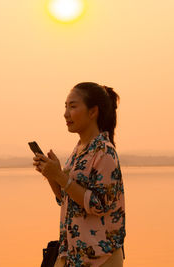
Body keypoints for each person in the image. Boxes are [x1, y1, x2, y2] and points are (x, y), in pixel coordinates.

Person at [33, 82, 126, 267]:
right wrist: (52, 174)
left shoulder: (104, 153)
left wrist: (60, 176)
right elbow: (66, 198)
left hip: (100, 257)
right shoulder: (79, 151)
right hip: (73, 254)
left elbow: (98, 205)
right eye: (65, 107)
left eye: (73, 106)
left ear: (93, 112)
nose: (66, 113)